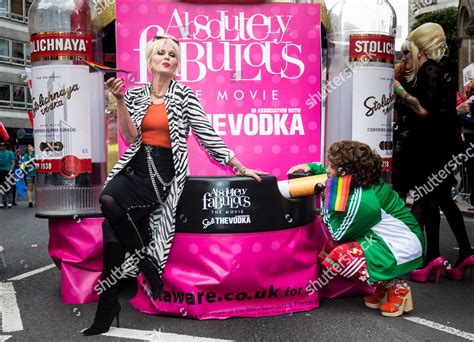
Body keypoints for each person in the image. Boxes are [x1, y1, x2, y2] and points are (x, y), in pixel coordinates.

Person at [82, 35, 267, 336]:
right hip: (134, 165)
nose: (167, 57)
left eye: (172, 54)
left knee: (113, 226)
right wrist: (118, 101)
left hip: (164, 173)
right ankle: (144, 268)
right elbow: (130, 136)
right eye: (161, 53)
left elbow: (206, 134)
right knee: (109, 202)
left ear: (177, 64)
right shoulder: (136, 94)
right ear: (150, 60)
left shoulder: (184, 95)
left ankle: (108, 306)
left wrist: (238, 165)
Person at [288, 141, 424, 317]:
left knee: (340, 255)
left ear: (346, 172)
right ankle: (383, 285)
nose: (328, 170)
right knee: (334, 250)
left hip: (402, 245)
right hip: (388, 240)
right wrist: (312, 167)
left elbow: (337, 233)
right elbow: (332, 178)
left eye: (332, 166)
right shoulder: (359, 181)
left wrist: (326, 198)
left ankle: (397, 288)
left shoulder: (364, 202)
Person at [393, 23, 474, 282]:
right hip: (435, 147)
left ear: (420, 50)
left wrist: (398, 89)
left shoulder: (431, 69)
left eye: (407, 52)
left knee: (431, 199)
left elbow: (424, 111)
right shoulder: (433, 71)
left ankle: (435, 257)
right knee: (440, 200)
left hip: (433, 148)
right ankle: (457, 254)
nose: (405, 58)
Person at [0, 141, 14, 208]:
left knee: (8, 187)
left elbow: (12, 162)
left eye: (3, 145)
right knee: (1, 187)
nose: (2, 146)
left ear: (6, 146)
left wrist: (11, 170)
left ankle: (10, 202)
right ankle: (3, 202)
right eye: (1, 145)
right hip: (1, 172)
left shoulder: (9, 153)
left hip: (8, 171)